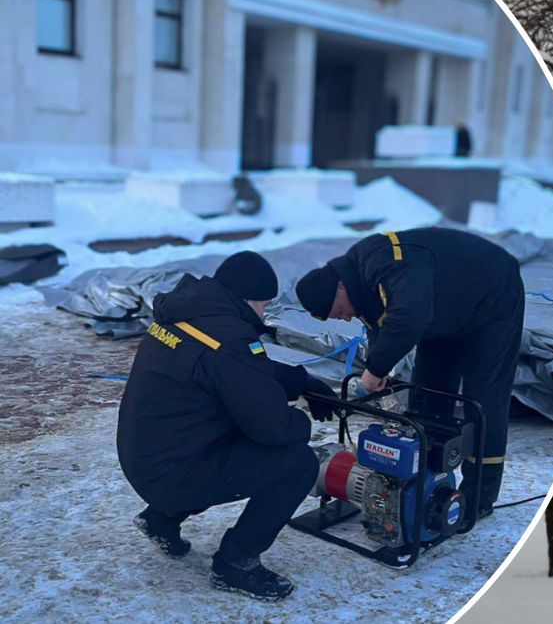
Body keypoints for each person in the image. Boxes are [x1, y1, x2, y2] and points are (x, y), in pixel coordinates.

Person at [117, 251, 335, 601]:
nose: (264, 315)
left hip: (145, 457)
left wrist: (300, 379)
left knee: (220, 432)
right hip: (170, 473)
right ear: (247, 300)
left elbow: (239, 372)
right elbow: (273, 428)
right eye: (264, 306)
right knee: (298, 462)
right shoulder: (228, 340)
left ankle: (162, 519)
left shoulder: (187, 317)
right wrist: (302, 422)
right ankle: (236, 564)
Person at [295, 228, 525, 515]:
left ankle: (479, 499)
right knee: (427, 393)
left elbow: (409, 317)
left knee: (483, 401)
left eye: (339, 312)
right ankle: (421, 485)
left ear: (340, 288)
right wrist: (377, 370)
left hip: (493, 296)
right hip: (444, 309)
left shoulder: (383, 261)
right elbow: (379, 326)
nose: (345, 318)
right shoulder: (357, 285)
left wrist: (375, 370)